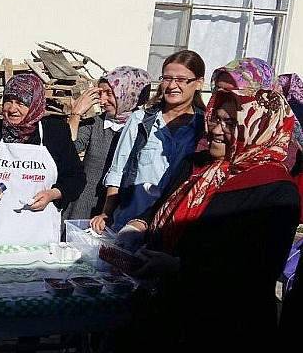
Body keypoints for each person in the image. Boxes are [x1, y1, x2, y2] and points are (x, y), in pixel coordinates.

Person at [124, 88, 299, 351]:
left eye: (230, 123)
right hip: (170, 312)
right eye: (215, 119)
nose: (216, 130)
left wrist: (179, 266)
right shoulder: (201, 167)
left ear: (260, 128)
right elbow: (162, 210)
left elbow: (255, 271)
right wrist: (141, 229)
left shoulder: (276, 190)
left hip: (224, 327)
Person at [90, 50, 206, 234]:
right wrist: (107, 212)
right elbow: (118, 170)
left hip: (173, 227)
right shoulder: (141, 120)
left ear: (199, 83)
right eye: (167, 78)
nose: (172, 85)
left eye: (181, 79)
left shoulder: (205, 128)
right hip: (128, 224)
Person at [0, 73, 85, 246]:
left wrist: (53, 194)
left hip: (38, 235)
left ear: (35, 104)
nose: (12, 109)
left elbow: (76, 178)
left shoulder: (55, 133)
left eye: (21, 103)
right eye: (8, 101)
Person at [64, 66, 151, 221]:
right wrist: (76, 114)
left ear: (128, 93)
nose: (102, 101)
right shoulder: (96, 123)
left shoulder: (144, 128)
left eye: (109, 94)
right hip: (83, 207)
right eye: (100, 94)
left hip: (121, 209)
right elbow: (69, 148)